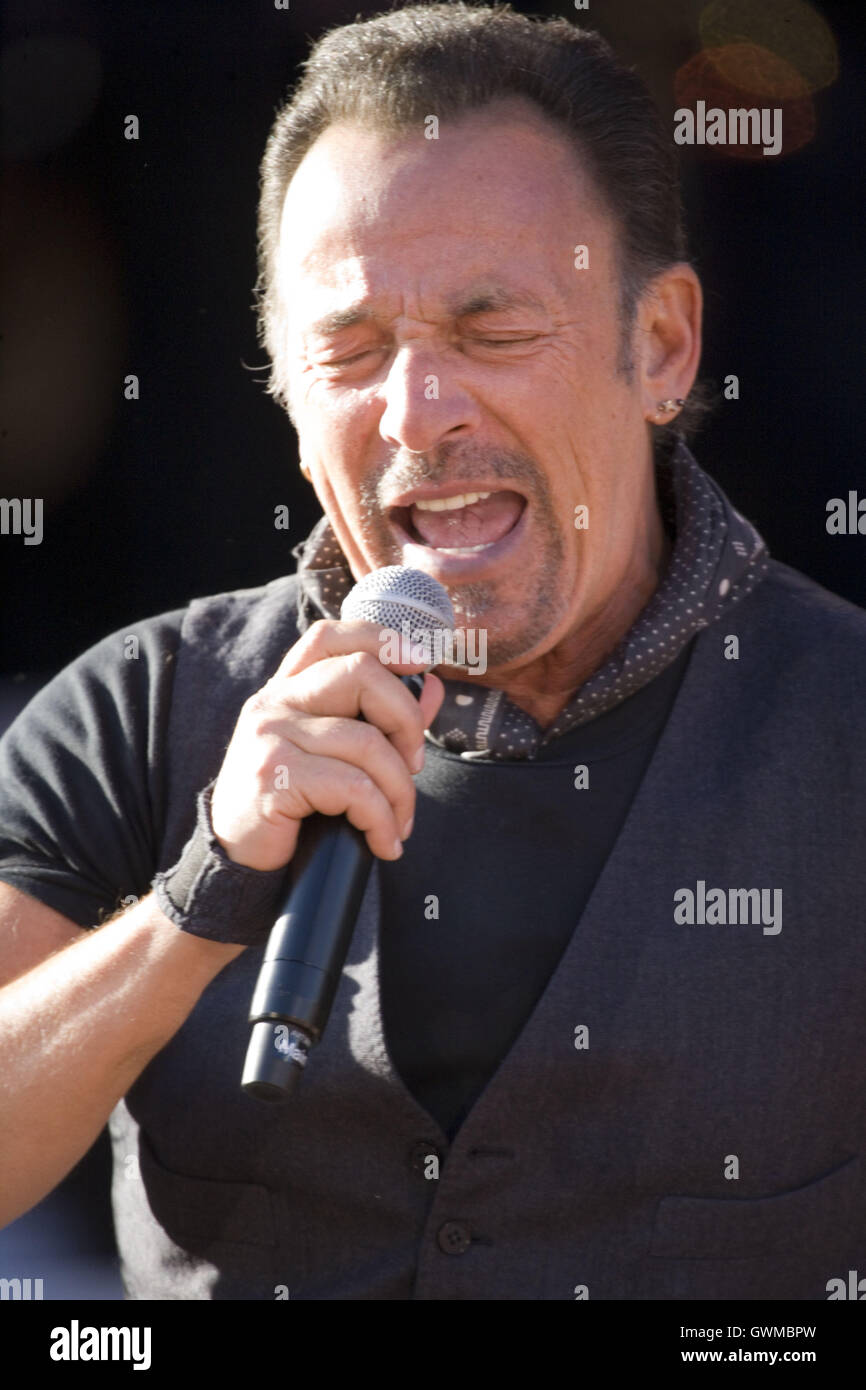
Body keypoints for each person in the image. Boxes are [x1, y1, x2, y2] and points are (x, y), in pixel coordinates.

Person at [1, 3, 864, 1301]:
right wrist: (198, 897)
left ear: (662, 346)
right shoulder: (135, 709)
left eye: (491, 330)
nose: (417, 410)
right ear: (288, 399)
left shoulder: (841, 720)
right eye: (347, 352)